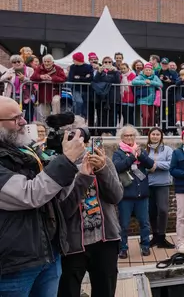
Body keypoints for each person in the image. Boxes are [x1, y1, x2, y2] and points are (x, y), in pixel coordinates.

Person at [0, 96, 86, 296]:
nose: (23, 122)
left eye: (22, 115)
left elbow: (54, 192)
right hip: (14, 265)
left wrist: (71, 163)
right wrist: (66, 161)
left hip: (48, 254)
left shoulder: (25, 149)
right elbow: (30, 195)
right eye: (15, 119)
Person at [58, 125, 123, 297]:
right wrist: (83, 178)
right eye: (76, 142)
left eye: (83, 141)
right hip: (73, 244)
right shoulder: (60, 167)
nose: (82, 146)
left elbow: (116, 196)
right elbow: (64, 210)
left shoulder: (104, 161)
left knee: (105, 291)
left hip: (105, 240)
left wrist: (102, 170)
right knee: (68, 291)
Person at [113, 125, 155, 258]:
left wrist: (140, 155)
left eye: (132, 135)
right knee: (124, 224)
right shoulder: (118, 153)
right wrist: (132, 157)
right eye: (127, 135)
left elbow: (150, 164)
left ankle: (145, 246)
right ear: (122, 137)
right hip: (126, 195)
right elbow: (117, 167)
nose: (130, 138)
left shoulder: (141, 150)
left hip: (141, 194)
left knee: (144, 223)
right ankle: (123, 248)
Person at [145, 127, 176, 249]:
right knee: (151, 211)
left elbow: (170, 164)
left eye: (158, 134)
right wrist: (149, 167)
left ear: (161, 136)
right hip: (148, 184)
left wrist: (155, 165)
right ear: (149, 136)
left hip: (163, 184)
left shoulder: (168, 149)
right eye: (153, 134)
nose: (155, 136)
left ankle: (162, 237)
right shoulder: (145, 150)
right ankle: (155, 236)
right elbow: (142, 166)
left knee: (163, 210)